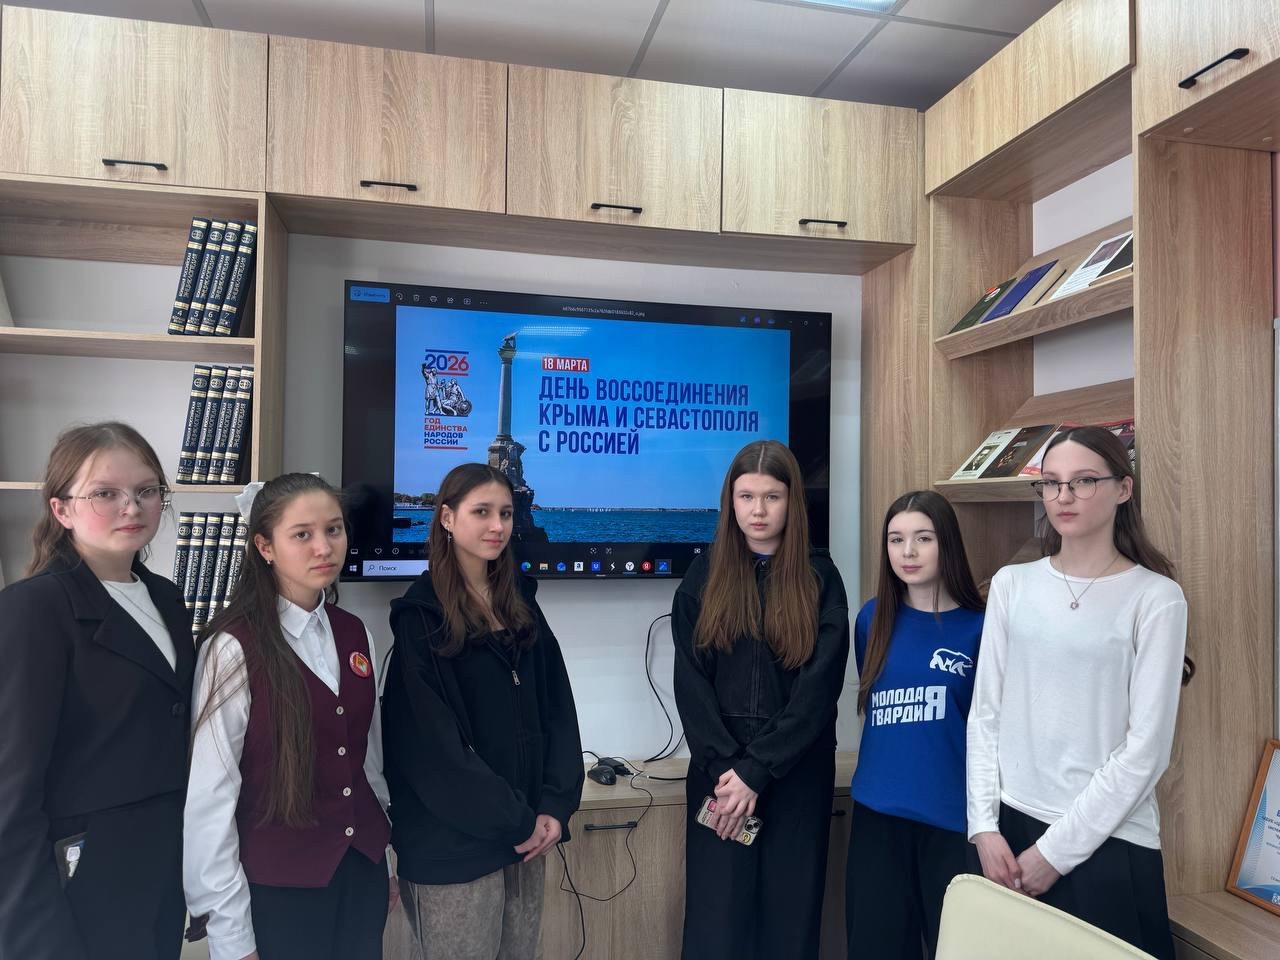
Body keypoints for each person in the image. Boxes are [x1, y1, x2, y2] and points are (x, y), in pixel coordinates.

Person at [967, 425, 1187, 959]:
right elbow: (985, 714)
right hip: (1009, 830)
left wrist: (1055, 853)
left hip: (1108, 839)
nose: (1063, 496)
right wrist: (983, 827)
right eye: (1051, 482)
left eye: (1084, 481)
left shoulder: (1157, 598)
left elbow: (1147, 751)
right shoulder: (1012, 584)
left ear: (1123, 488)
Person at [0, 422, 194, 960]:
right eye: (105, 493)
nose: (132, 506)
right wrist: (36, 937)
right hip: (78, 884)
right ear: (61, 510)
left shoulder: (167, 598)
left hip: (160, 873)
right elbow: (11, 792)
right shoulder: (34, 609)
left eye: (146, 490)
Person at [184, 473, 393, 960]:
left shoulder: (354, 631)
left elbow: (366, 760)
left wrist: (384, 858)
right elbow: (211, 796)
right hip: (279, 889)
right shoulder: (232, 646)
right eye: (302, 534)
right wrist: (230, 934)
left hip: (360, 871)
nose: (324, 547)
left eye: (334, 530)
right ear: (265, 547)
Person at [382, 462, 583, 960]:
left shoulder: (522, 605)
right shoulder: (419, 618)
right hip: (454, 849)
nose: (498, 526)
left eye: (506, 513)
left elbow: (558, 710)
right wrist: (516, 820)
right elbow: (432, 749)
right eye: (482, 512)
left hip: (526, 840)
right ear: (447, 518)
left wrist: (555, 806)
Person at [672, 439, 850, 960]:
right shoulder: (703, 575)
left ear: (792, 502)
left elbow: (819, 689)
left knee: (788, 924)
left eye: (771, 497)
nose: (757, 510)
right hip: (721, 782)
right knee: (716, 926)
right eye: (746, 496)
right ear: (730, 501)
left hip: (796, 778)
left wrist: (759, 769)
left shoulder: (821, 578)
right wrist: (730, 772)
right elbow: (690, 682)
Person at [845, 490, 984, 959]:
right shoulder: (872, 619)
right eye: (896, 539)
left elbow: (990, 729)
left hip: (952, 823)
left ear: (947, 543)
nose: (908, 551)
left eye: (923, 538)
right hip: (876, 817)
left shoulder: (981, 627)